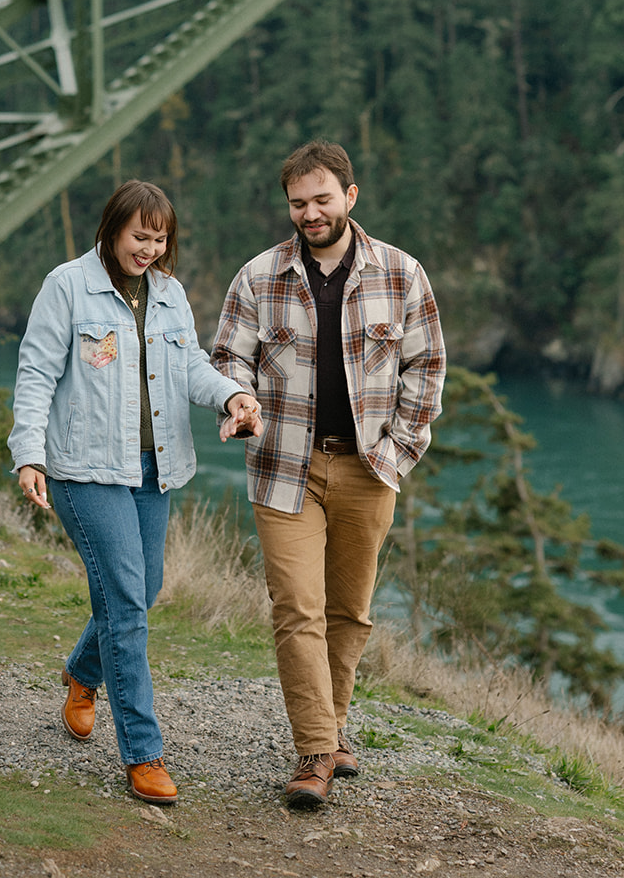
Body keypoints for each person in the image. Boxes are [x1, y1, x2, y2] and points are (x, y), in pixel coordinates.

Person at [9, 179, 262, 806]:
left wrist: (231, 394)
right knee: (126, 606)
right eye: (139, 237)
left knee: (141, 594)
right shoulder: (66, 286)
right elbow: (36, 371)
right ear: (112, 230)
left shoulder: (170, 295)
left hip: (156, 470)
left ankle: (82, 673)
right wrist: (29, 455)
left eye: (160, 239)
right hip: (84, 472)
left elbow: (192, 365)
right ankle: (145, 755)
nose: (149, 249)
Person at [210, 140, 445, 809]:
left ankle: (332, 731)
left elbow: (425, 370)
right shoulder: (258, 277)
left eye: (320, 199)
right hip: (284, 466)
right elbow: (229, 356)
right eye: (297, 203)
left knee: (349, 612)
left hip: (368, 469)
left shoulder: (401, 274)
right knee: (296, 608)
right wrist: (239, 400)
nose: (309, 213)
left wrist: (395, 454)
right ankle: (315, 752)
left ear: (349, 195)